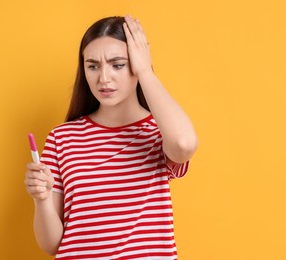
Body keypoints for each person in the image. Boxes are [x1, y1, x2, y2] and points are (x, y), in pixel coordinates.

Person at [24, 14, 198, 259]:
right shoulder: (61, 138)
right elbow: (52, 245)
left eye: (118, 65)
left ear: (136, 65)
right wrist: (41, 200)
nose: (103, 78)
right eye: (93, 66)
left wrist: (146, 71)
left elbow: (184, 144)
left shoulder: (158, 131)